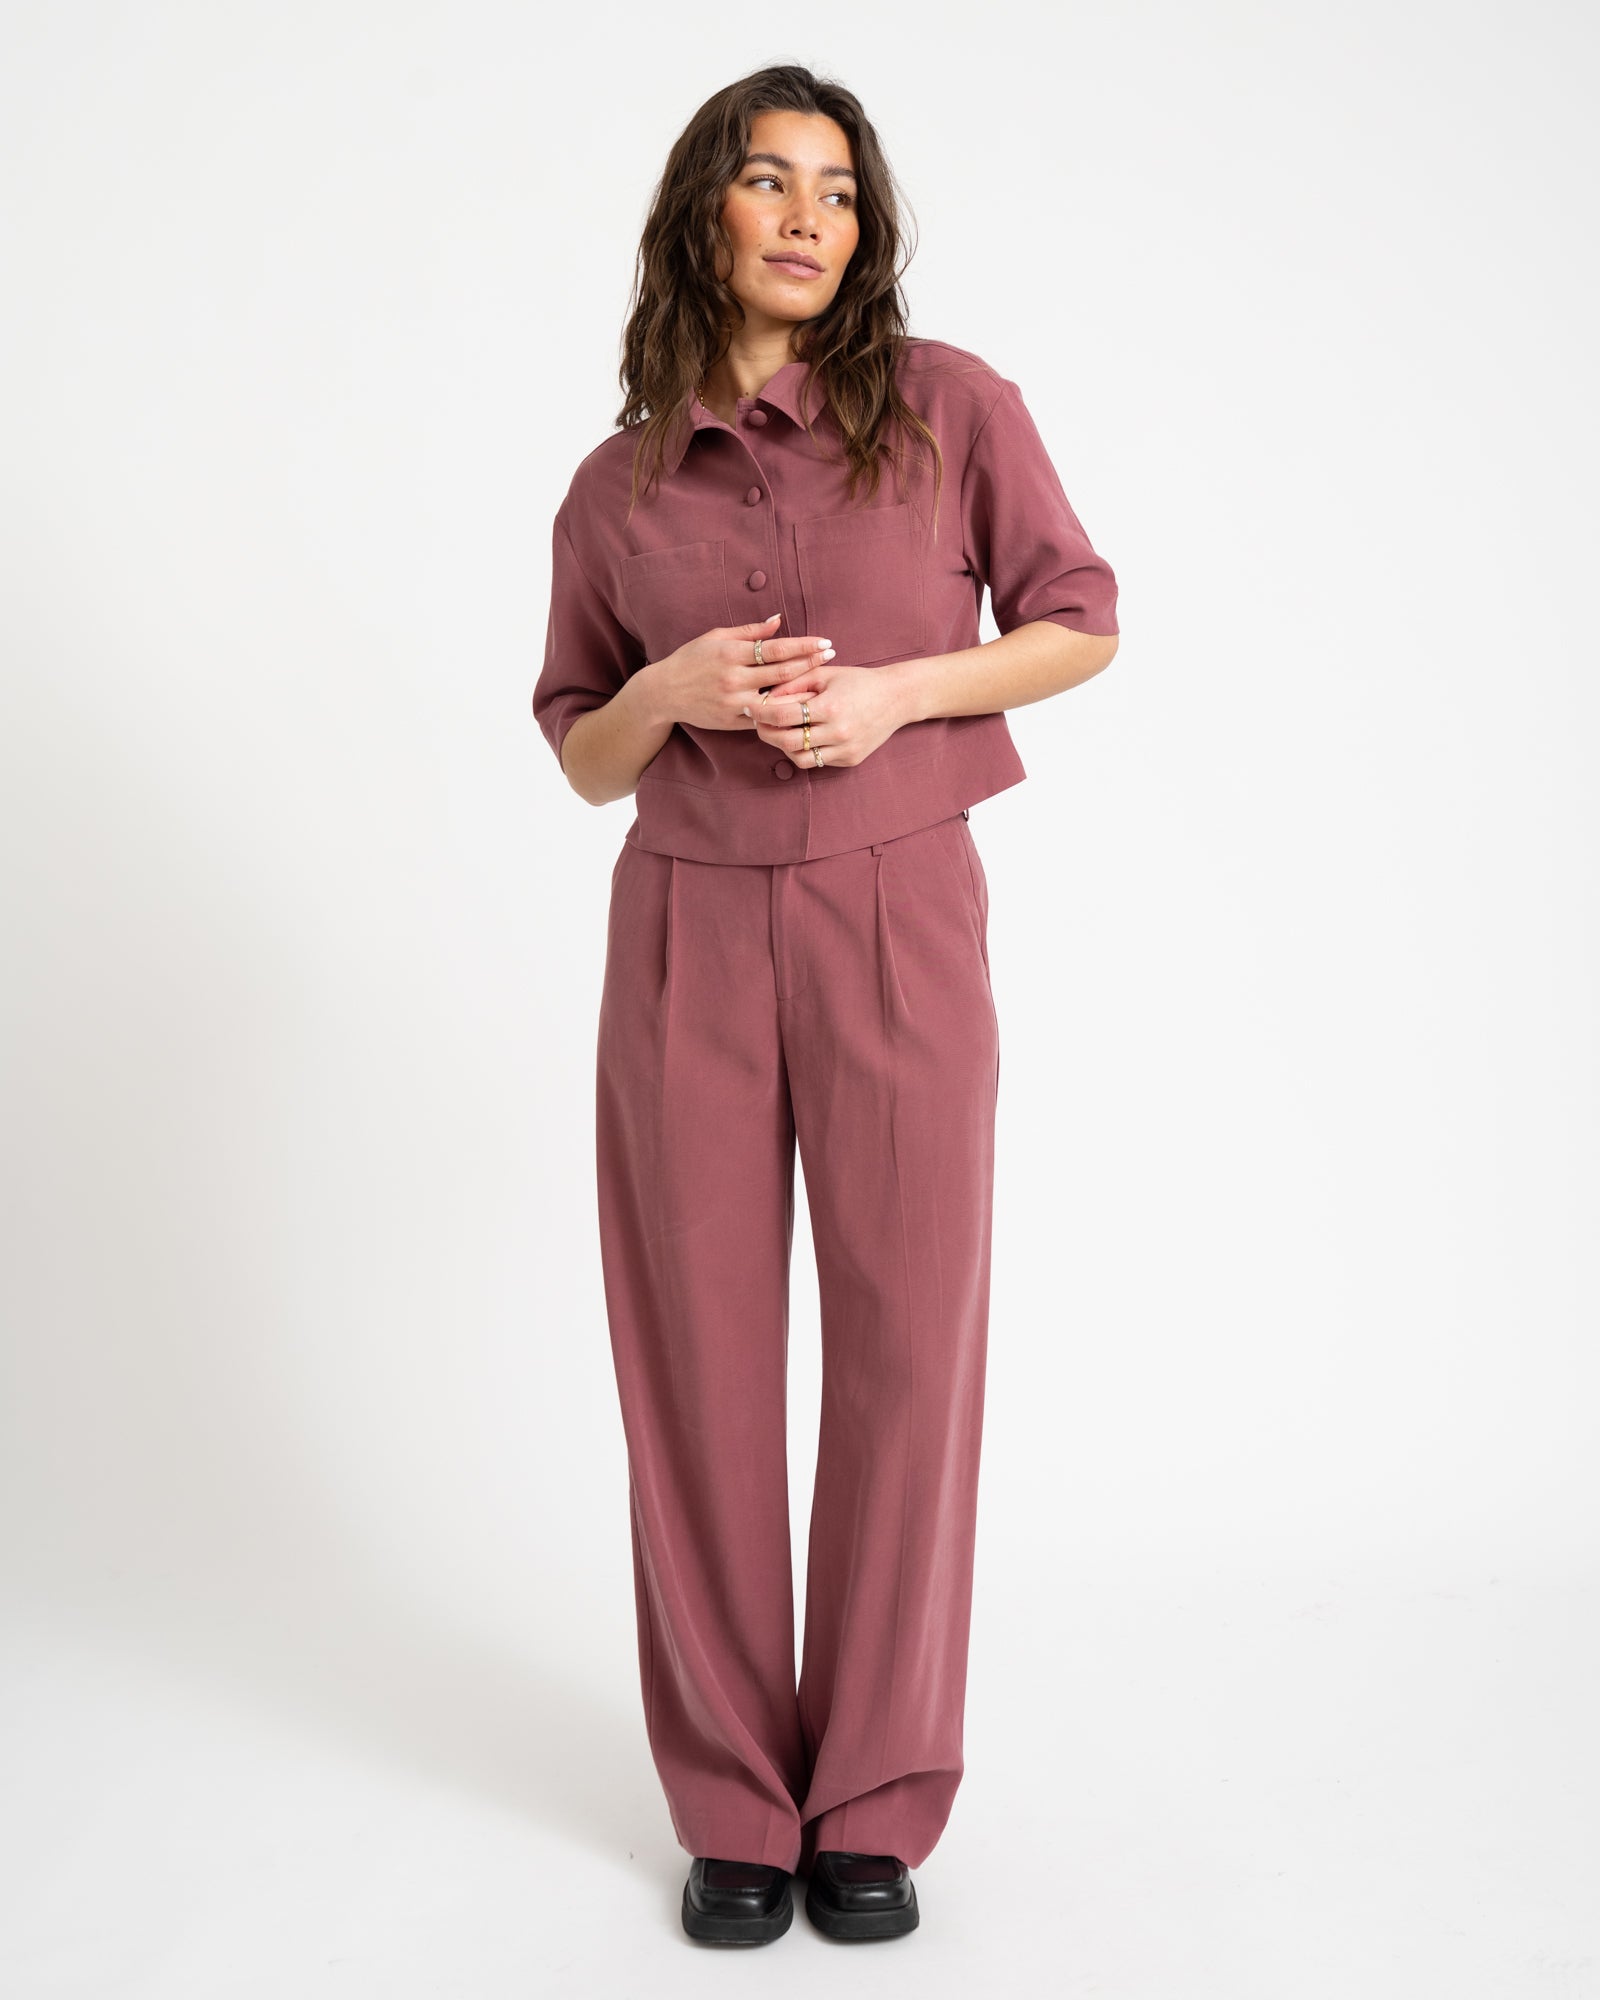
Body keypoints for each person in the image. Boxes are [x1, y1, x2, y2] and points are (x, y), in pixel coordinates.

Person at [533, 64, 1119, 1947]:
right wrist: (670, 690)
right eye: (771, 181)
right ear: (701, 209)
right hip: (686, 933)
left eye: (842, 192)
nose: (809, 217)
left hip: (898, 915)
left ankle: (871, 1797)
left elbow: (1081, 618)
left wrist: (899, 693)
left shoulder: (951, 409)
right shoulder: (617, 487)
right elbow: (582, 752)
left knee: (905, 1353)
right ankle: (732, 1803)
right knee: (693, 1363)